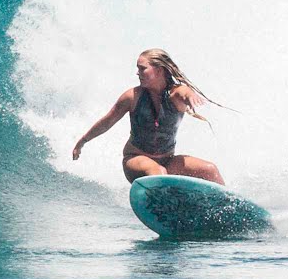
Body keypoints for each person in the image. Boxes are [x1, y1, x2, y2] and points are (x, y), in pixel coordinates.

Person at [70, 48, 227, 185]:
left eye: (142, 68)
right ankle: (167, 211)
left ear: (159, 70)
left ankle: (227, 208)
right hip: (136, 159)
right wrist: (82, 141)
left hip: (167, 161)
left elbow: (184, 92)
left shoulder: (175, 95)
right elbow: (107, 121)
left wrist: (190, 96)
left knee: (210, 169)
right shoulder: (132, 97)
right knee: (157, 172)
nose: (137, 73)